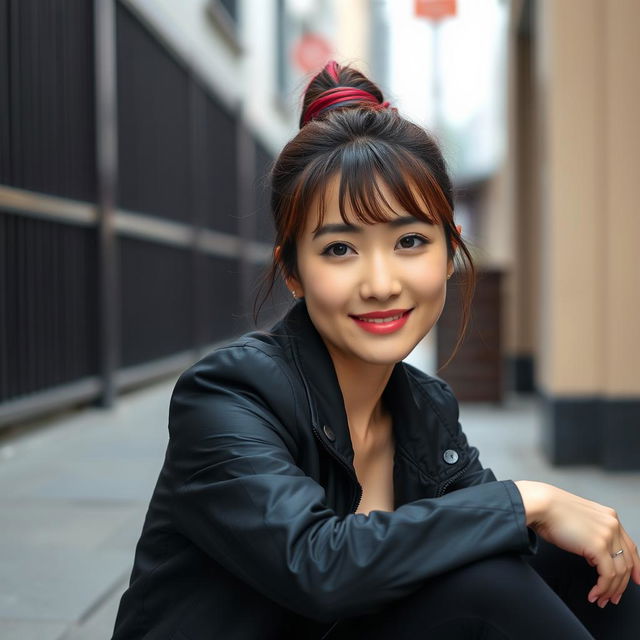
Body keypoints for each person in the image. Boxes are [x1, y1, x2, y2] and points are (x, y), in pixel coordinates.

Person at [111, 60, 640, 639]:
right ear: (292, 270)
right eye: (340, 249)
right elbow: (318, 565)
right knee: (488, 585)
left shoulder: (424, 409)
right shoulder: (230, 395)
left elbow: (480, 538)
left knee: (582, 561)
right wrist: (528, 499)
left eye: (411, 241)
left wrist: (544, 519)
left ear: (449, 250)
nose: (382, 283)